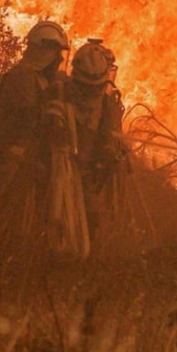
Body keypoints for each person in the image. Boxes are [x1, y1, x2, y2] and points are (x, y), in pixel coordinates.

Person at [0, 20, 71, 258]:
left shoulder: (38, 77)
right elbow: (24, 121)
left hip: (24, 156)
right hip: (13, 158)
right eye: (55, 53)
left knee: (27, 219)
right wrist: (50, 123)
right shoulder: (22, 79)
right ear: (42, 51)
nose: (59, 59)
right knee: (1, 212)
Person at [65, 38, 129, 249]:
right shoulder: (59, 94)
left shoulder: (106, 104)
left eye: (95, 88)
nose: (90, 94)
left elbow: (108, 135)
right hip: (59, 171)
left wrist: (110, 151)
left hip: (85, 173)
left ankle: (85, 267)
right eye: (86, 88)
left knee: (90, 220)